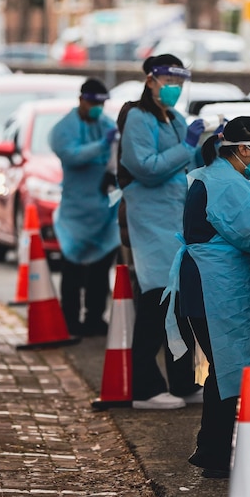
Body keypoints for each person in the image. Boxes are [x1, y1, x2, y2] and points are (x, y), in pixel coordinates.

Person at [162, 116, 250, 477]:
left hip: (208, 286)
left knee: (225, 371)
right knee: (232, 372)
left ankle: (213, 450)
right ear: (243, 149)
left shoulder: (213, 176)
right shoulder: (230, 185)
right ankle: (215, 453)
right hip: (218, 289)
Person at [120, 54, 206, 410]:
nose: (175, 89)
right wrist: (186, 147)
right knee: (156, 302)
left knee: (180, 305)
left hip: (174, 224)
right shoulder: (138, 119)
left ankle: (182, 383)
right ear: (151, 80)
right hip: (150, 221)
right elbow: (146, 167)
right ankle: (144, 388)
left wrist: (206, 146)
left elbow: (188, 165)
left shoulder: (175, 118)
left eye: (179, 83)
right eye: (169, 82)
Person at [49, 78, 120, 337]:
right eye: (93, 102)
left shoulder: (107, 125)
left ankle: (94, 317)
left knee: (100, 270)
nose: (97, 108)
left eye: (102, 104)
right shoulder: (63, 129)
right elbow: (71, 155)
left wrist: (111, 173)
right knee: (73, 270)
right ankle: (69, 318)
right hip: (76, 212)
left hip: (103, 211)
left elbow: (116, 158)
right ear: (81, 99)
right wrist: (101, 146)